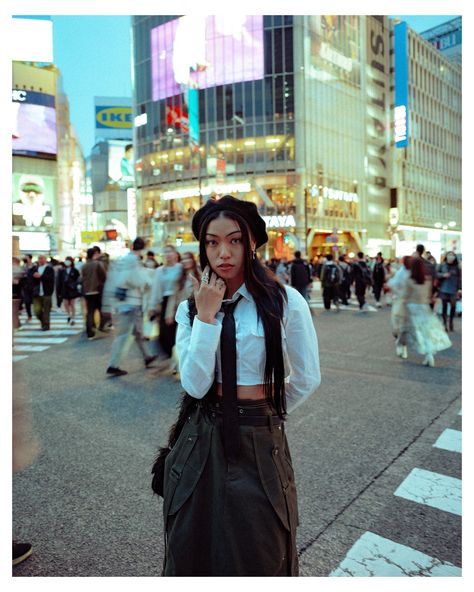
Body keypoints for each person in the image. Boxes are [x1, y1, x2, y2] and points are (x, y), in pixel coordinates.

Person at [156, 195, 321, 576]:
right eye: (212, 242)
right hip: (201, 437)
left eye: (234, 240)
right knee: (192, 546)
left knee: (261, 549)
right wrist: (208, 317)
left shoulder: (285, 302)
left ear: (250, 245)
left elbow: (308, 376)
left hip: (259, 439)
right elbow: (195, 386)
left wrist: (266, 414)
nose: (223, 252)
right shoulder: (190, 309)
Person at [106, 237, 157, 376]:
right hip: (131, 302)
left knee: (138, 332)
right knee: (123, 335)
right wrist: (147, 282)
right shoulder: (132, 260)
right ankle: (113, 364)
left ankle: (147, 356)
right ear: (143, 248)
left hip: (125, 302)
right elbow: (135, 280)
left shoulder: (124, 259)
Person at [399, 257, 451, 366]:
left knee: (407, 330)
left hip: (411, 307)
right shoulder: (427, 279)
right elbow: (428, 295)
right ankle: (429, 355)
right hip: (423, 307)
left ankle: (402, 348)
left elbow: (405, 295)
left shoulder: (409, 279)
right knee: (426, 332)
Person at [148, 245, 183, 369]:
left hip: (179, 302)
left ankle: (178, 361)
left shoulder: (181, 268)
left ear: (176, 254)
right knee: (165, 332)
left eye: (170, 252)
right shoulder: (160, 270)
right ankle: (173, 357)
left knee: (178, 331)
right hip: (165, 302)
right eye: (165, 252)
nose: (168, 254)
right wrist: (152, 307)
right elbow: (156, 289)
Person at [387, 255, 412, 359]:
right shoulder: (400, 273)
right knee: (399, 327)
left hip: (410, 304)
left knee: (406, 328)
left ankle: (403, 346)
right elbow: (392, 284)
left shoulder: (414, 273)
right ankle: (399, 343)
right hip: (400, 302)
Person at [80, 248, 107, 339]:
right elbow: (103, 276)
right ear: (94, 254)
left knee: (90, 311)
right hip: (97, 290)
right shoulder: (97, 264)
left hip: (87, 291)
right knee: (100, 309)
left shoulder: (84, 266)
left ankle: (89, 330)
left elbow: (82, 278)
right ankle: (101, 327)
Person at [437, 251, 462, 332]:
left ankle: (451, 321)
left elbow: (459, 278)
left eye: (452, 255)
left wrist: (460, 289)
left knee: (453, 306)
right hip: (443, 289)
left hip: (453, 290)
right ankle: (444, 323)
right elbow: (436, 274)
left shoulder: (457, 267)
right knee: (444, 307)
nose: (451, 257)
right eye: (449, 255)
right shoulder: (442, 265)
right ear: (446, 256)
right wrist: (443, 275)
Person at [31, 255, 55, 331]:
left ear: (45, 259)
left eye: (42, 258)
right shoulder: (35, 268)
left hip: (46, 292)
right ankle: (43, 321)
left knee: (46, 310)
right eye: (39, 258)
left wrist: (41, 276)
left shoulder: (49, 269)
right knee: (36, 311)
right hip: (36, 292)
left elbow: (51, 279)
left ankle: (46, 325)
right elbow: (30, 278)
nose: (41, 260)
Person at [56, 256, 81, 325]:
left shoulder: (75, 270)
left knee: (72, 304)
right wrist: (58, 291)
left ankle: (73, 318)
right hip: (64, 289)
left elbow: (78, 280)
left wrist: (76, 286)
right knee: (66, 304)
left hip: (72, 289)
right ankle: (69, 315)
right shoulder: (61, 271)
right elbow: (59, 281)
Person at [21, 254, 35, 322]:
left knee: (35, 302)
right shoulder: (23, 266)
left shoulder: (35, 266)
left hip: (34, 287)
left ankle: (40, 316)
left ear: (30, 258)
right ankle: (29, 316)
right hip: (26, 287)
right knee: (27, 302)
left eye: (26, 257)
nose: (25, 258)